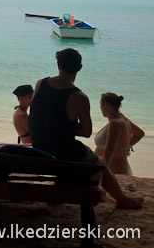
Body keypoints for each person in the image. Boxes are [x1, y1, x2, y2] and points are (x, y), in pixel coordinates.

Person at [29, 48, 143, 209]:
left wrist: (56, 123)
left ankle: (62, 192)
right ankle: (122, 199)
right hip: (62, 151)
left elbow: (38, 113)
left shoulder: (40, 83)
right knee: (100, 162)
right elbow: (86, 132)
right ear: (80, 67)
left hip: (39, 145)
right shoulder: (79, 97)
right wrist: (69, 126)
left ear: (58, 65)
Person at [95, 92, 145, 176]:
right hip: (120, 167)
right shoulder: (124, 120)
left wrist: (102, 171)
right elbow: (140, 133)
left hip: (113, 170)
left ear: (105, 105)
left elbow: (109, 150)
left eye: (100, 104)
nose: (100, 107)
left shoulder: (115, 123)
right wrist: (125, 146)